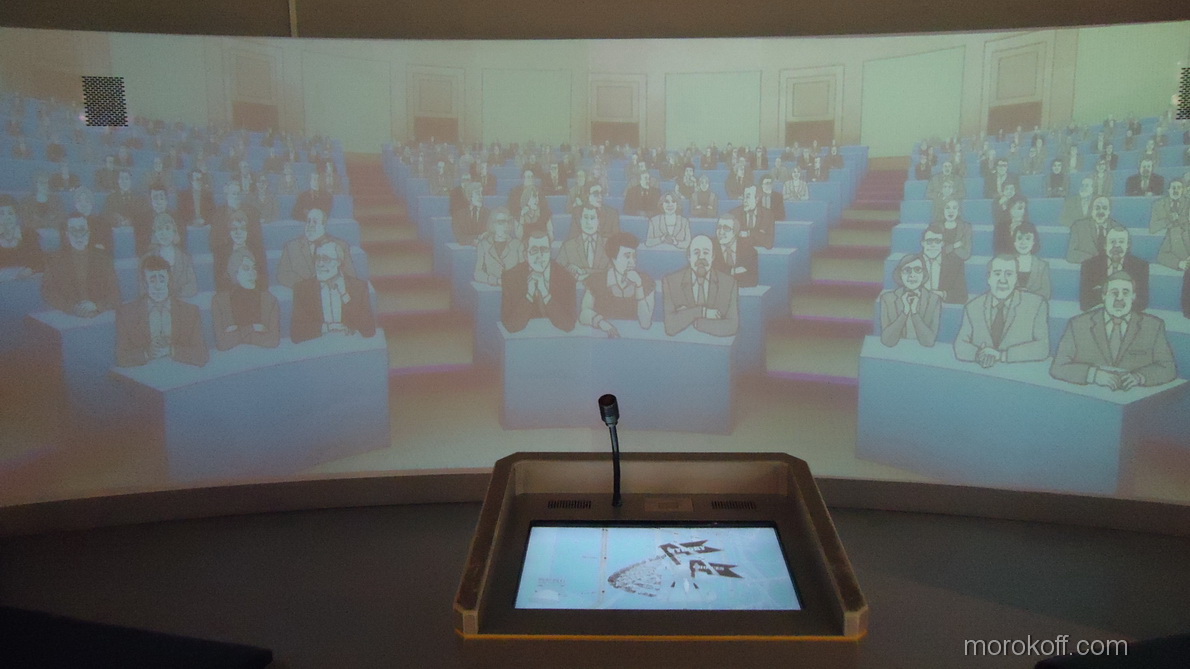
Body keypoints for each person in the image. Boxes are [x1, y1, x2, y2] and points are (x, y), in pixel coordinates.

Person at [1050, 272, 1176, 390]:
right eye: (1114, 292)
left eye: (1125, 293)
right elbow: (1058, 367)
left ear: (1133, 296)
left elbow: (1169, 368)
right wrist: (1094, 375)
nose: (1119, 298)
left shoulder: (1153, 326)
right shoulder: (1078, 324)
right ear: (1103, 296)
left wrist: (1139, 377)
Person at [954, 255, 1050, 368]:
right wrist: (979, 354)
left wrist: (1002, 356)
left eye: (1009, 274)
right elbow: (960, 345)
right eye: (997, 273)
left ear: (1016, 278)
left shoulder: (1037, 304)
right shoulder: (972, 307)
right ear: (989, 278)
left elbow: (1042, 347)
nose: (1003, 280)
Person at [115, 254, 208, 367]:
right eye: (152, 280)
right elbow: (121, 358)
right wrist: (146, 353)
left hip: (181, 370)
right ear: (144, 283)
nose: (158, 286)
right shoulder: (126, 313)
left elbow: (202, 355)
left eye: (162, 279)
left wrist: (171, 350)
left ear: (169, 281)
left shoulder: (190, 312)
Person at [291, 240, 376, 343]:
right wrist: (328, 328)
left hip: (349, 345)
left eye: (326, 259)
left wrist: (344, 295)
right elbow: (296, 333)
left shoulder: (358, 287)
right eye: (317, 258)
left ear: (339, 262)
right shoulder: (302, 289)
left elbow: (369, 330)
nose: (320, 264)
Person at [579, 232, 656, 338]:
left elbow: (645, 324)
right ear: (613, 259)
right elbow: (584, 314)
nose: (632, 262)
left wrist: (639, 286)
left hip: (634, 338)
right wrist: (603, 324)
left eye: (634, 256)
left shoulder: (645, 281)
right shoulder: (597, 280)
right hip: (603, 336)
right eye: (627, 256)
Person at [501, 229, 577, 333]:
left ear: (550, 252)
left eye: (544, 250)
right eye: (534, 250)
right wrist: (529, 295)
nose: (540, 255)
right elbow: (511, 326)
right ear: (525, 255)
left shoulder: (566, 278)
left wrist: (545, 294)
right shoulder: (510, 278)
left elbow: (568, 325)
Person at [661, 235, 739, 337]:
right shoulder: (671, 282)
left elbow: (732, 326)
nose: (701, 257)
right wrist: (702, 312)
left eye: (706, 252)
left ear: (712, 257)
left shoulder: (728, 283)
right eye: (696, 252)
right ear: (689, 257)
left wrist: (696, 322)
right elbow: (670, 327)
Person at [277, 208, 356, 288]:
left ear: (323, 225)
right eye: (308, 221)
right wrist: (307, 286)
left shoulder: (341, 245)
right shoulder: (291, 246)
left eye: (315, 222)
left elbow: (350, 275)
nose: (310, 225)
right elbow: (283, 274)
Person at [1079, 226, 1149, 312]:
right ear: (1105, 245)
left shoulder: (1140, 266)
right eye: (1112, 242)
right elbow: (1084, 303)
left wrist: (1101, 292)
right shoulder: (1089, 266)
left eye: (1121, 242)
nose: (1116, 246)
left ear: (1127, 245)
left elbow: (1142, 303)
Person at [878, 253, 942, 347]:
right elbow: (887, 341)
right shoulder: (887, 299)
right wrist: (905, 312)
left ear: (924, 274)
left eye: (917, 270)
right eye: (907, 270)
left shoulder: (934, 299)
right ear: (900, 274)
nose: (912, 275)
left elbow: (929, 342)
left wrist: (914, 312)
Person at [141, 213, 197, 299]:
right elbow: (143, 289)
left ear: (174, 231)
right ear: (155, 233)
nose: (163, 233)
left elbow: (192, 286)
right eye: (159, 229)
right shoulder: (146, 259)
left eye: (167, 228)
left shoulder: (185, 258)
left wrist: (174, 294)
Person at [212, 209, 268, 294]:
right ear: (229, 231)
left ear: (248, 231)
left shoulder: (257, 251)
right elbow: (219, 281)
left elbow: (263, 279)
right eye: (234, 228)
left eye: (243, 228)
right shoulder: (221, 252)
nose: (238, 232)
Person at [557, 204, 609, 283]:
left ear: (598, 221)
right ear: (580, 220)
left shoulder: (608, 244)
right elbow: (557, 270)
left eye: (592, 218)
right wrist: (569, 269)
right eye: (585, 217)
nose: (588, 222)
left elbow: (613, 270)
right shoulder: (568, 246)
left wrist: (584, 272)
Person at [473, 207, 523, 287]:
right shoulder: (483, 245)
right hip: (492, 288)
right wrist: (495, 280)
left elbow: (523, 271)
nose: (505, 225)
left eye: (507, 222)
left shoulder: (517, 245)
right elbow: (478, 273)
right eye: (500, 222)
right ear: (493, 224)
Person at [920, 226, 967, 304]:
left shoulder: (955, 263)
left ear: (942, 244)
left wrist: (942, 294)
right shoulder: (913, 262)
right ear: (923, 243)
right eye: (929, 241)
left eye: (937, 241)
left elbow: (962, 295)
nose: (933, 245)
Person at [1067, 196, 1119, 264]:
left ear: (1109, 211)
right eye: (1097, 208)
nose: (1101, 211)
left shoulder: (1117, 228)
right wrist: (1094, 260)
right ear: (1091, 210)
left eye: (1104, 208)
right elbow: (1071, 255)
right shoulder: (1078, 227)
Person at [0, 194, 42, 279]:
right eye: (2, 214)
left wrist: (29, 270)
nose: (7, 218)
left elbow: (39, 261)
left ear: (17, 215)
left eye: (10, 213)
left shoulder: (30, 234)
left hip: (26, 279)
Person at [711, 216, 758, 289]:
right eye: (719, 227)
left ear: (735, 232)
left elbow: (752, 280)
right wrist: (732, 271)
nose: (721, 232)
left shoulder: (749, 251)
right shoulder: (709, 247)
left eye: (726, 228)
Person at [1010, 223, 1051, 300]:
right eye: (1019, 238)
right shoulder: (1006, 263)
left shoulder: (1042, 265)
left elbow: (1046, 293)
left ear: (1033, 242)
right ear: (1014, 242)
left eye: (1027, 238)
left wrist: (1027, 295)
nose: (1023, 242)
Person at [730, 185, 774, 250]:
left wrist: (749, 233)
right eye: (744, 197)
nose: (744, 201)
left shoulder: (767, 215)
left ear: (757, 199)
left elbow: (769, 243)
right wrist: (758, 234)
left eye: (748, 197)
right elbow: (731, 241)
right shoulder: (734, 214)